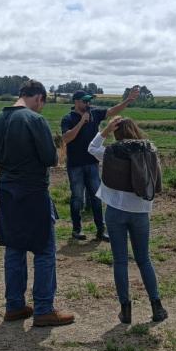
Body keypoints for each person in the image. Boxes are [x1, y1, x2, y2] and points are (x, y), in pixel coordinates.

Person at [0, 80, 74, 326]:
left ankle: (14, 306)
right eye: (42, 104)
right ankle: (44, 308)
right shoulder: (34, 120)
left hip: (6, 191)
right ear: (39, 98)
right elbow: (50, 158)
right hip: (33, 191)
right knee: (44, 250)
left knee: (14, 247)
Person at [88, 116, 167, 324]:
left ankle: (126, 309)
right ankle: (157, 306)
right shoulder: (149, 150)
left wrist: (105, 130)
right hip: (141, 211)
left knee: (120, 261)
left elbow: (92, 148)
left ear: (117, 132)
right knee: (144, 259)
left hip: (115, 210)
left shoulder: (112, 151)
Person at [60, 86, 141, 241]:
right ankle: (77, 230)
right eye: (85, 101)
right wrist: (81, 122)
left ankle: (100, 230)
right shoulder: (68, 119)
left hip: (92, 163)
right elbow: (66, 139)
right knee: (77, 198)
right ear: (76, 102)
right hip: (75, 165)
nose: (88, 104)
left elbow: (112, 111)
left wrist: (128, 100)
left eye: (90, 101)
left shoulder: (94, 113)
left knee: (97, 197)